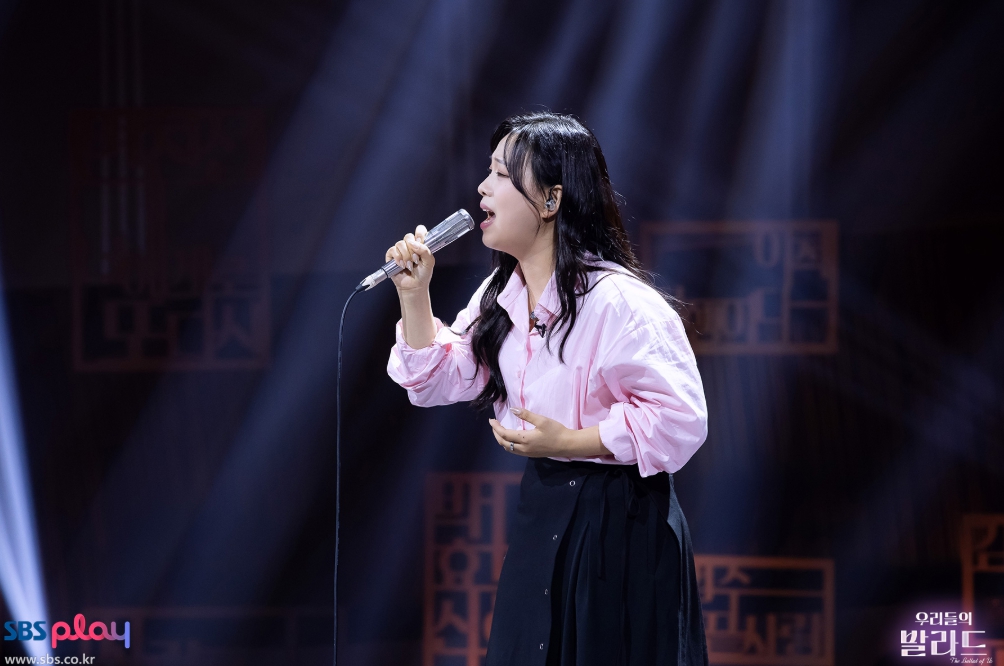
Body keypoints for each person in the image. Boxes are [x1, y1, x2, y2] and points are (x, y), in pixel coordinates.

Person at [385, 111, 710, 666]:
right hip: (544, 509)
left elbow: (681, 420)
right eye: (487, 171)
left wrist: (570, 441)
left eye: (501, 174)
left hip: (620, 520)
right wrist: (415, 296)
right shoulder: (501, 295)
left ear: (551, 199)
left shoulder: (621, 303)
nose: (482, 188)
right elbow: (439, 378)